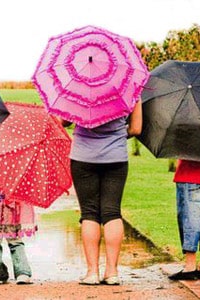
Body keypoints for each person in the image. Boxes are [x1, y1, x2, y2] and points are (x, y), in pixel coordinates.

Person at [62, 101, 143, 286]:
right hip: (116, 157)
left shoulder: (79, 87)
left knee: (89, 213)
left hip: (83, 157)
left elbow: (64, 122)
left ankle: (92, 272)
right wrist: (118, 135)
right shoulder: (129, 87)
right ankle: (112, 272)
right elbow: (136, 128)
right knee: (112, 212)